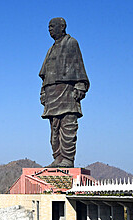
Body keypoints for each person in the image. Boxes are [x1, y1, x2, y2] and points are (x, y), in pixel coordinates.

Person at [39, 17, 89, 168]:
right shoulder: (51, 49)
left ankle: (67, 159)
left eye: (52, 26)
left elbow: (79, 65)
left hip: (67, 91)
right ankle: (58, 158)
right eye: (48, 27)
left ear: (62, 27)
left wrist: (80, 86)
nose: (50, 29)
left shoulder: (71, 43)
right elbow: (44, 74)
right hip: (51, 93)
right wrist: (43, 93)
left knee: (67, 126)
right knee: (54, 129)